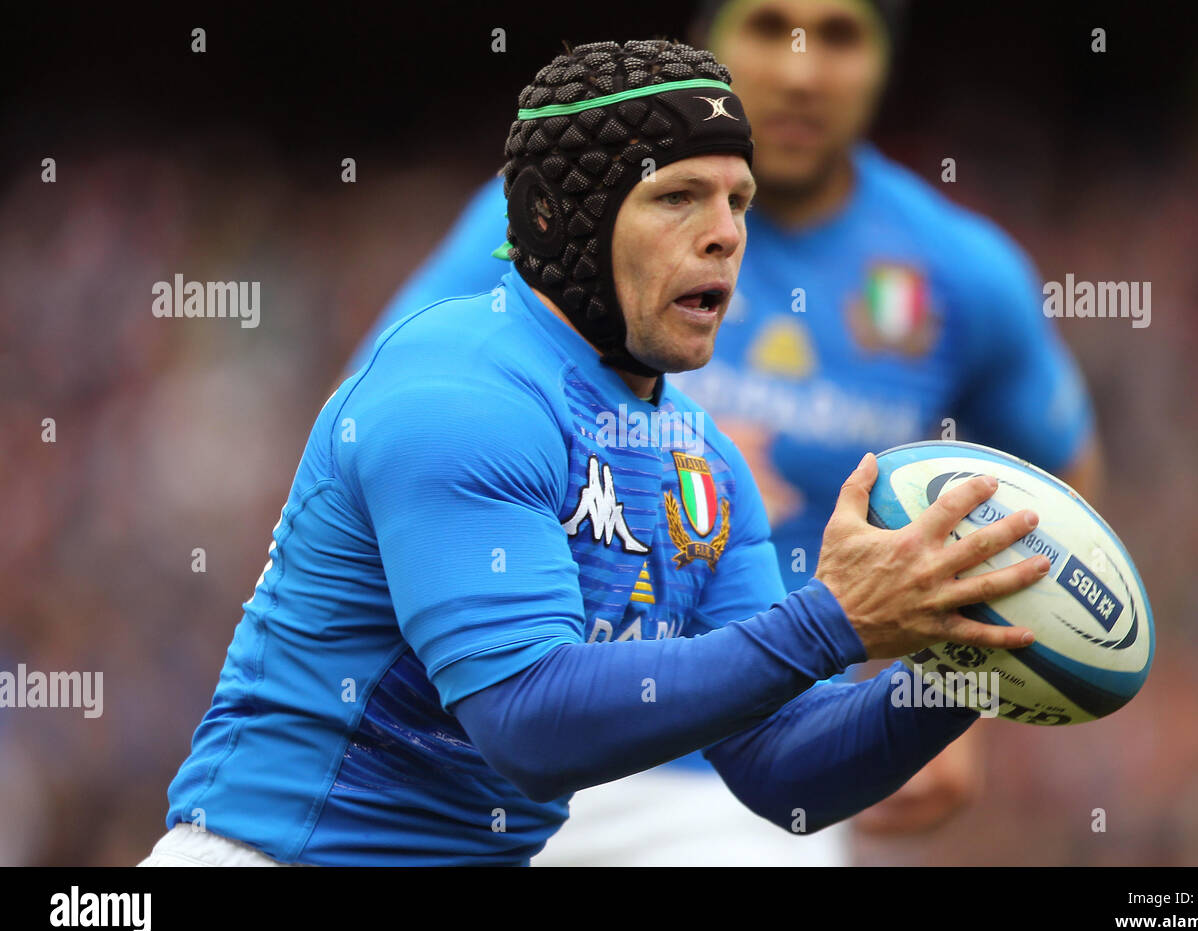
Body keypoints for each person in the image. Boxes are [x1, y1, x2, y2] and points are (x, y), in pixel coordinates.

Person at [140, 39, 1048, 867]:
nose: (727, 232)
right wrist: (831, 622)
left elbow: (782, 770)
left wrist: (961, 668)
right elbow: (527, 722)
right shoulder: (458, 390)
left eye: (739, 201)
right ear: (553, 219)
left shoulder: (702, 459)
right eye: (678, 197)